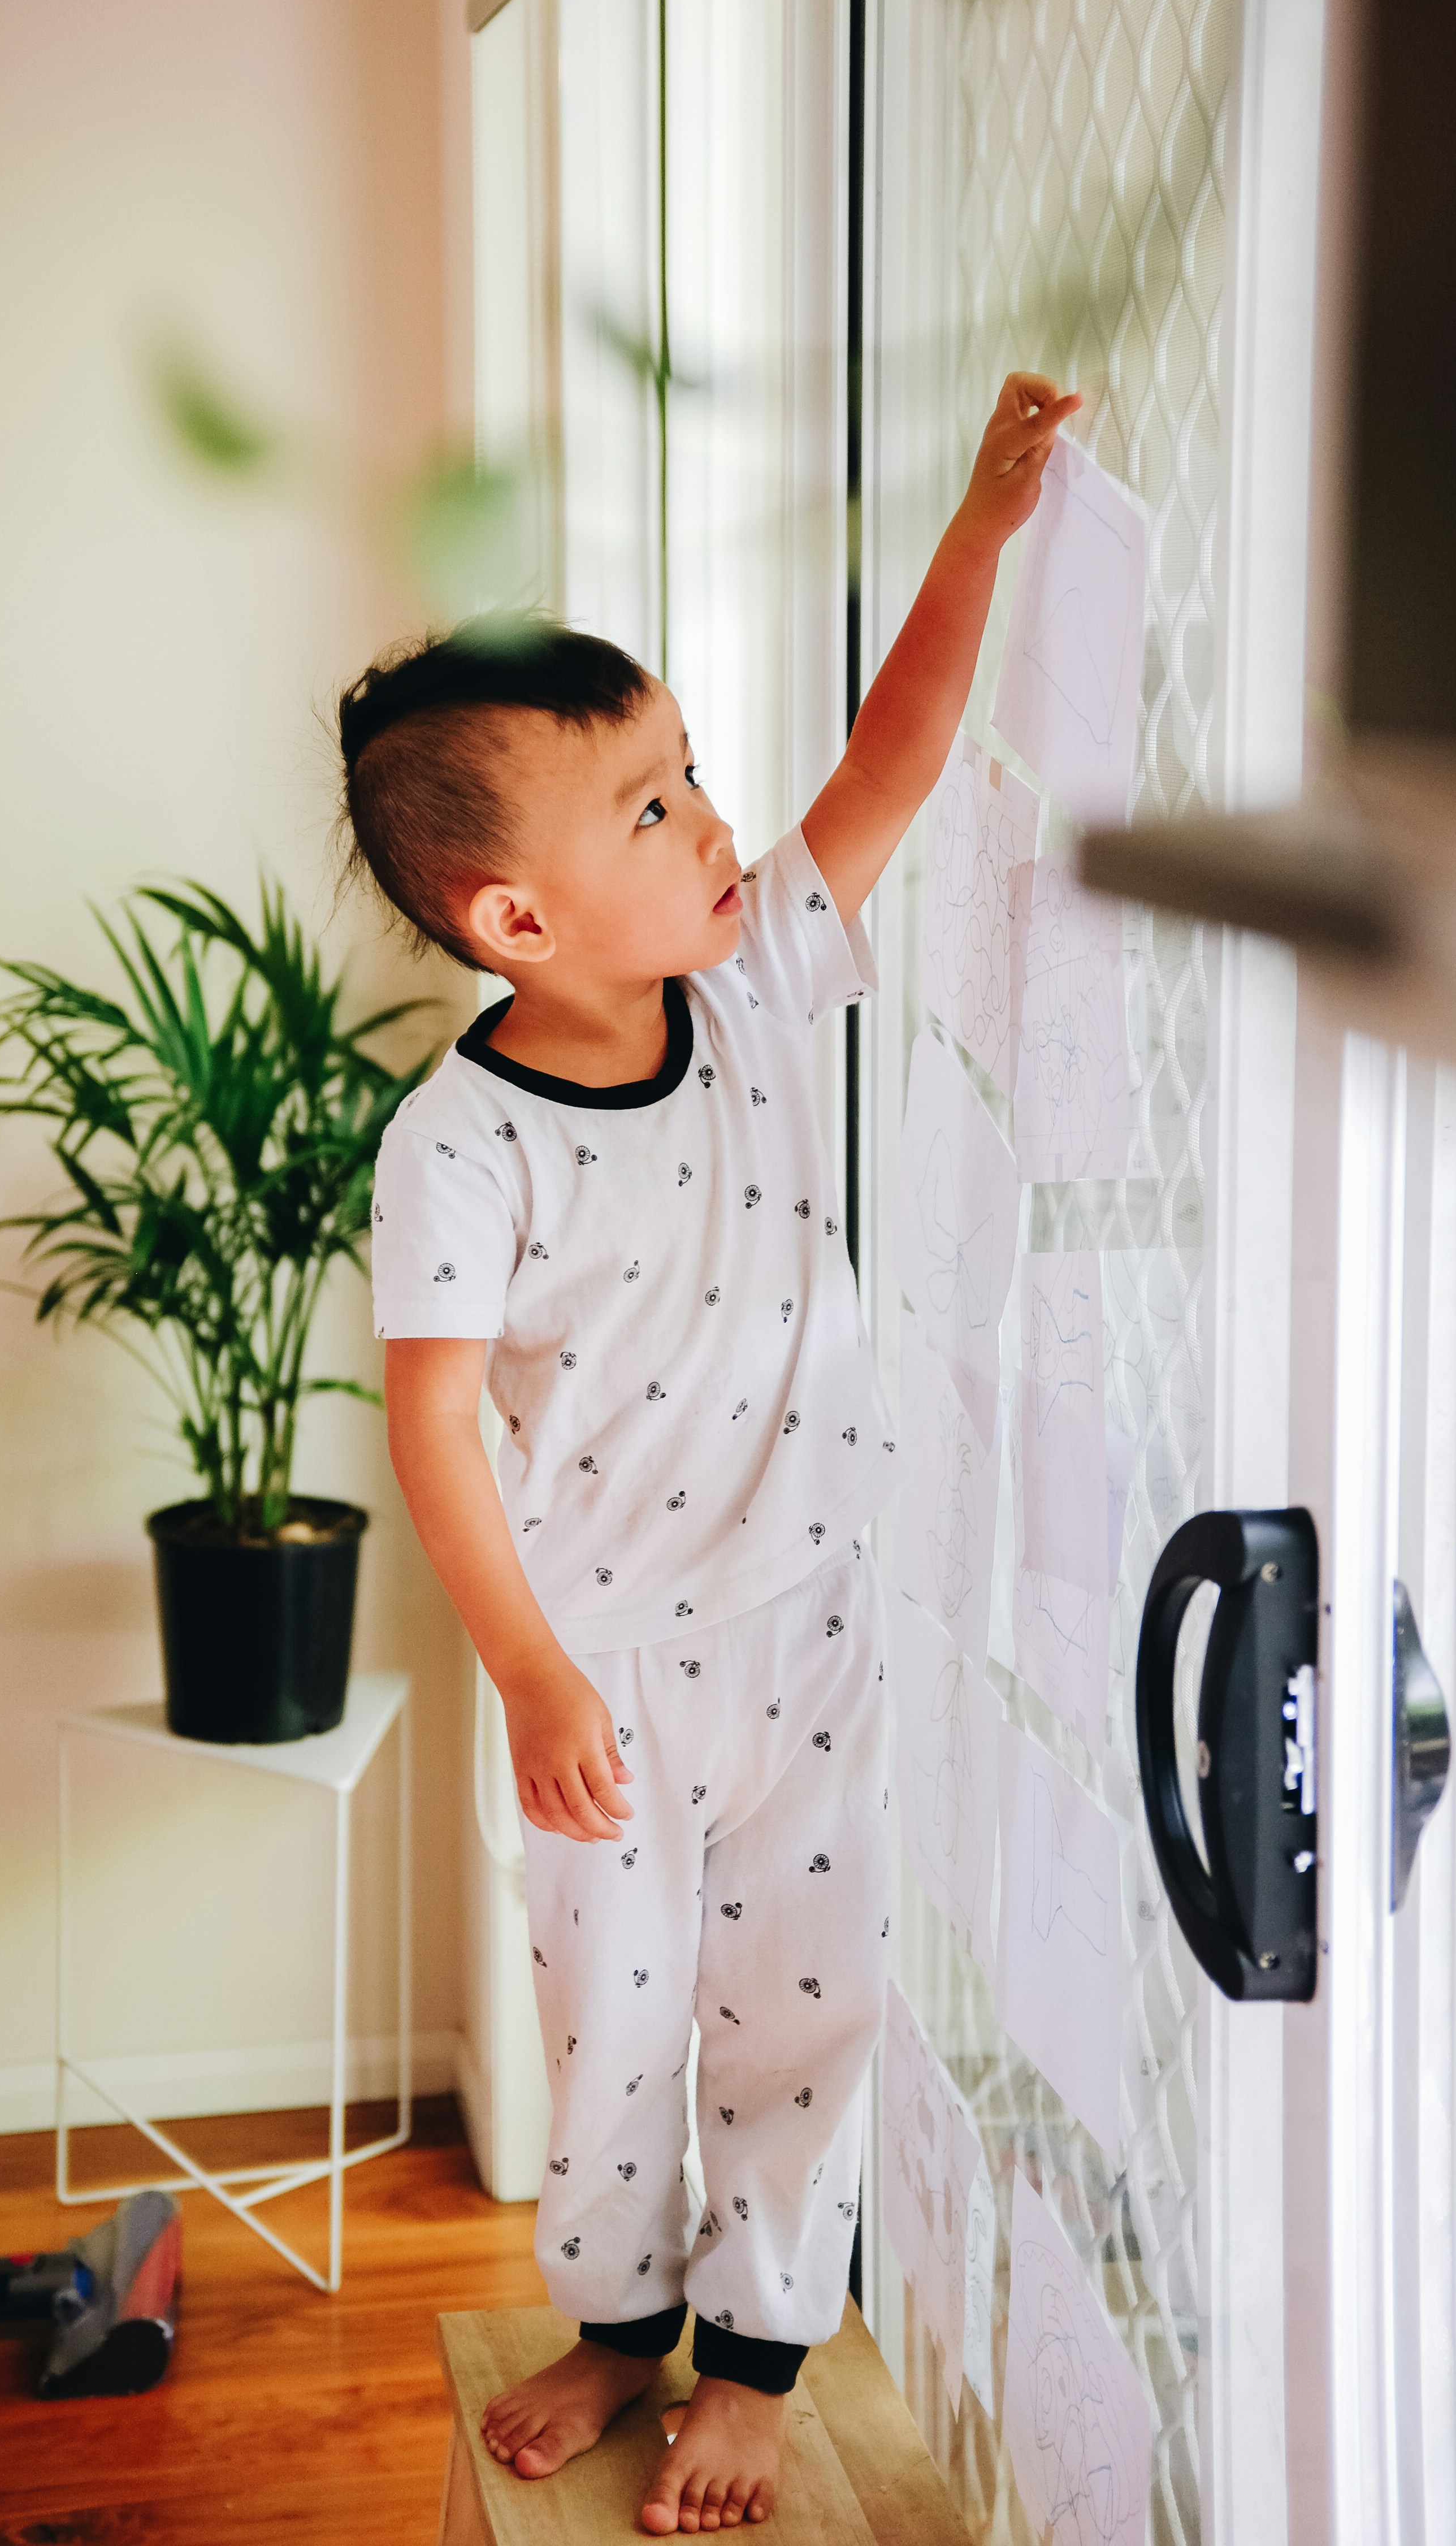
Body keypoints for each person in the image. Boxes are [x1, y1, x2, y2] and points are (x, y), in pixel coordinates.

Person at [339, 372, 1078, 2536]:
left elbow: (899, 757)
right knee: (619, 2018)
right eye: (653, 810)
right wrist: (531, 1671)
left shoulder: (757, 988)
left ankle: (756, 2351)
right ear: (518, 924)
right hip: (605, 1675)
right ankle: (611, 2314)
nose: (716, 822)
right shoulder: (457, 1147)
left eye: (690, 775)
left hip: (809, 1623)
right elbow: (434, 1424)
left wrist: (981, 526)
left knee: (805, 1998)